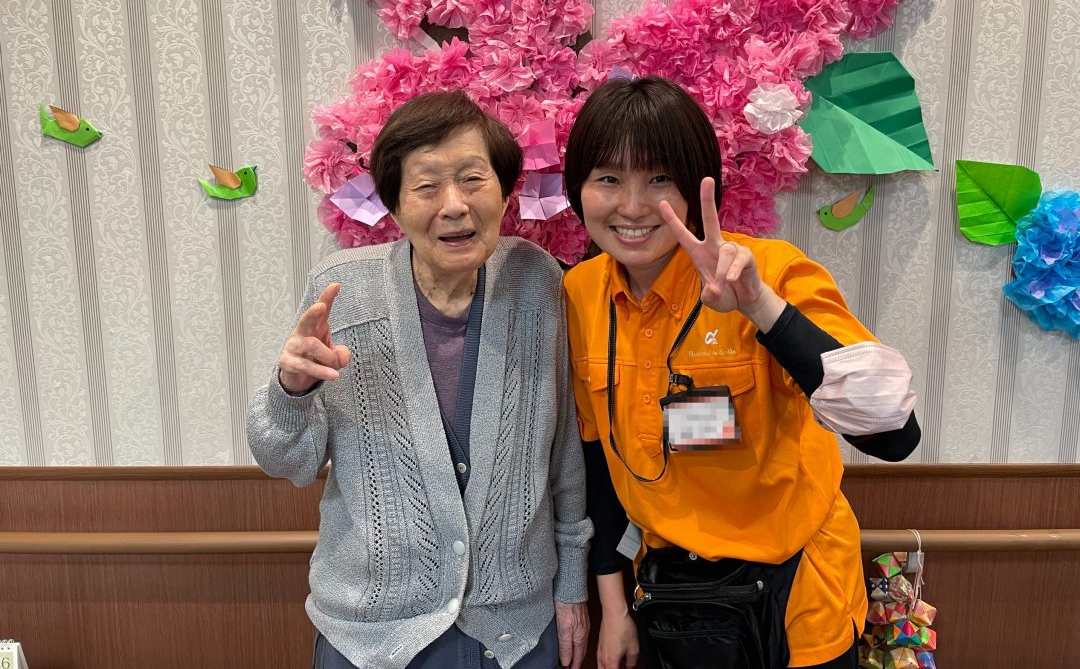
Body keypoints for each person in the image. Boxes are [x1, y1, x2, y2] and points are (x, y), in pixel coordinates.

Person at [561, 76, 921, 669]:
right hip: (674, 604)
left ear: (698, 185)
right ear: (579, 188)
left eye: (659, 179)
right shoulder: (580, 293)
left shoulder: (771, 273)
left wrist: (761, 308)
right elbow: (598, 460)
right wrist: (614, 607)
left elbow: (894, 436)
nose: (632, 206)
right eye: (608, 179)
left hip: (796, 605)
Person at [247, 91, 592, 669]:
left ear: (505, 192)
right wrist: (290, 392)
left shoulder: (537, 283)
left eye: (473, 179)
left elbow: (563, 458)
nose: (454, 206)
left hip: (516, 632)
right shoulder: (344, 291)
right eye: (427, 186)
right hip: (372, 638)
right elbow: (288, 463)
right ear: (395, 205)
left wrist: (573, 588)